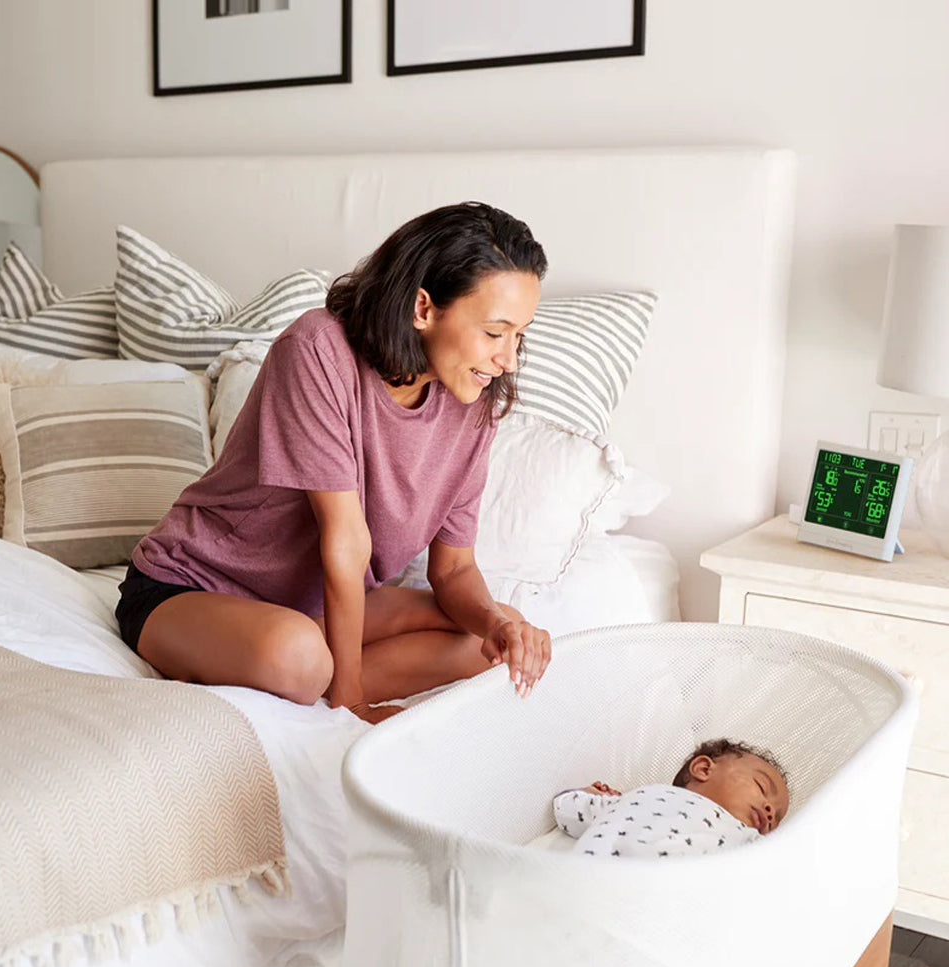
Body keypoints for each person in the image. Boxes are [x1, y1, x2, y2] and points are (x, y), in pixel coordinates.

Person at [115, 202, 553, 724]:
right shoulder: (318, 348)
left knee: (498, 638)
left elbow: (454, 569)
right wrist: (350, 701)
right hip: (191, 588)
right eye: (495, 333)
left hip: (313, 609)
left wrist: (496, 625)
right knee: (300, 657)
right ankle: (314, 671)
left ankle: (314, 663)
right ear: (423, 309)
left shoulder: (473, 406)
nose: (508, 359)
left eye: (519, 335)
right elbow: (345, 539)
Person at [552, 738, 789, 858]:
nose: (770, 812)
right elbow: (567, 808)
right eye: (761, 787)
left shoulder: (748, 843)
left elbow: (566, 808)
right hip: (591, 890)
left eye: (777, 821)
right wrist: (596, 796)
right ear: (703, 769)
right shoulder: (640, 797)